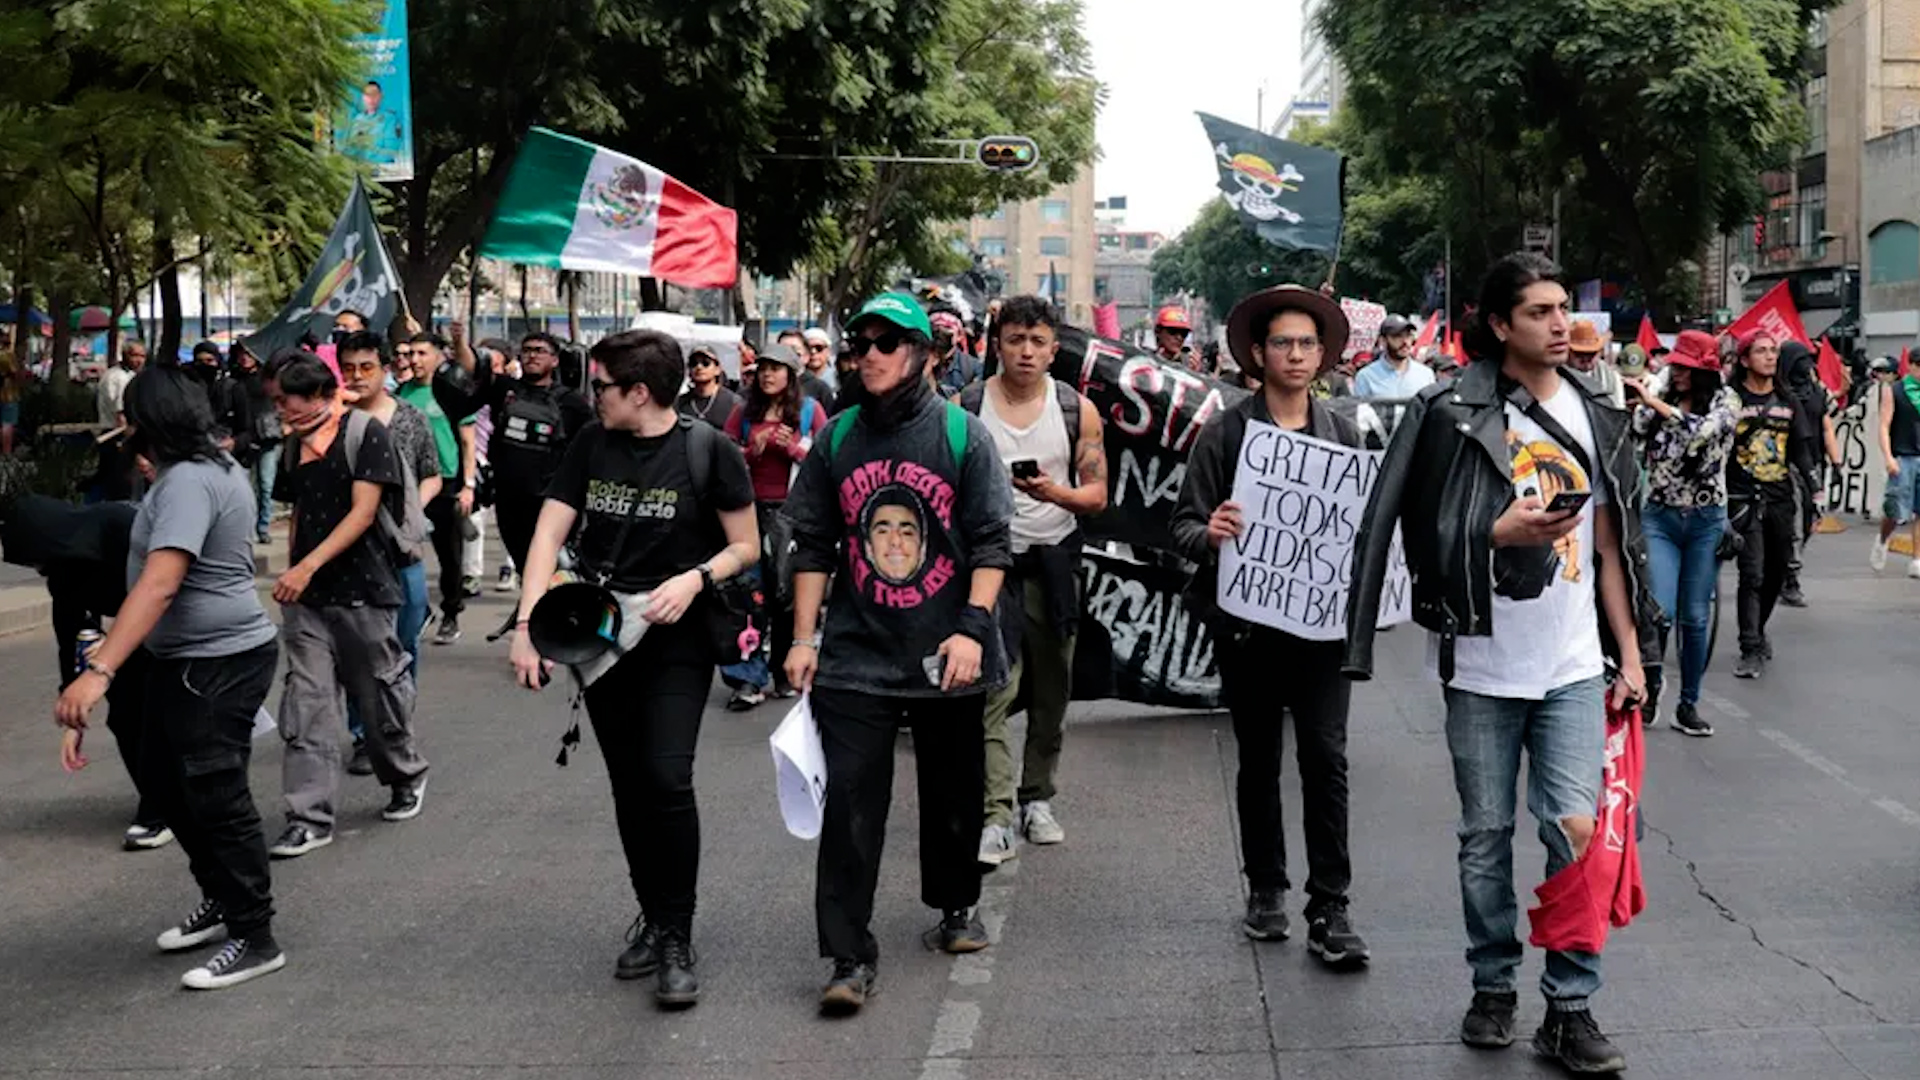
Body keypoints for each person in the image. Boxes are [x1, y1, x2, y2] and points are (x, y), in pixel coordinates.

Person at [1346, 253, 1656, 1074]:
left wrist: (1631, 651)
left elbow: (1612, 544)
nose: (1562, 325)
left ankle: (1571, 1004)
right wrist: (1493, 535)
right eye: (1541, 312)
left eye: (1564, 309)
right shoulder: (1448, 411)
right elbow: (1401, 530)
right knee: (1485, 836)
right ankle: (1493, 985)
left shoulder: (1597, 412)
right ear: (1498, 324)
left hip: (1574, 665)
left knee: (1576, 833)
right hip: (1482, 665)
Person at [509, 330, 759, 1010]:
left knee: (666, 777)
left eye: (602, 386)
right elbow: (549, 535)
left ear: (639, 392)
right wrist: (528, 624)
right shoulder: (592, 442)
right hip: (600, 632)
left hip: (677, 636)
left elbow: (747, 545)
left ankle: (677, 934)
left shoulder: (710, 450)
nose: (594, 397)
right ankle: (652, 915)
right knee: (628, 783)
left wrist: (697, 578)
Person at [782, 291, 1014, 1016]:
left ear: (924, 353)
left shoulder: (961, 435)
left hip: (948, 651)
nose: (871, 353)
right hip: (856, 654)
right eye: (862, 341)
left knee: (952, 798)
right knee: (851, 803)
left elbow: (990, 543)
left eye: (888, 341)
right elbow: (813, 542)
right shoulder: (838, 437)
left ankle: (953, 906)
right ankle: (848, 954)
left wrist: (972, 631)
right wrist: (801, 638)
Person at [53, 365, 284, 990]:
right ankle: (222, 898)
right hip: (184, 658)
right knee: (162, 777)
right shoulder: (200, 472)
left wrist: (98, 671)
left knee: (215, 794)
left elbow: (161, 582)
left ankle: (254, 935)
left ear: (146, 421)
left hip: (220, 658)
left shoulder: (188, 481)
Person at [1170, 284, 1372, 968]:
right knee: (1259, 760)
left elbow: (1363, 532)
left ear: (1323, 355)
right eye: (1282, 342)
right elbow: (1183, 526)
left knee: (1327, 759)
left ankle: (1331, 903)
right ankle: (1265, 888)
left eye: (1307, 343)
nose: (1295, 354)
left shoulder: (1344, 432)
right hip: (1249, 630)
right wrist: (1213, 532)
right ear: (1258, 354)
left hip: (1321, 633)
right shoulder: (1226, 433)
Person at [265, 353, 430, 859]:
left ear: (315, 396)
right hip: (309, 601)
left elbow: (363, 513)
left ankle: (405, 775)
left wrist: (307, 566)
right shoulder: (294, 446)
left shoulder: (364, 434)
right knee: (308, 705)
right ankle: (308, 817)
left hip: (365, 590)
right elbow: (296, 514)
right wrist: (293, 571)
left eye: (284, 401)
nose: (279, 411)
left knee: (376, 697)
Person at [963, 295, 1107, 867]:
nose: (1026, 352)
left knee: (1052, 692)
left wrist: (1055, 494)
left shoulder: (1077, 410)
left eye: (1037, 342)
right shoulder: (966, 407)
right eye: (1015, 339)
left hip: (1054, 567)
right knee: (990, 694)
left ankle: (1037, 798)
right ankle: (994, 814)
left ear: (1054, 349)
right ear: (997, 343)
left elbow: (1096, 496)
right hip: (989, 571)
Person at [1626, 330, 1737, 736]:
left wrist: (1656, 404)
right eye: (1677, 366)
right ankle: (1652, 684)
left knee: (1695, 616)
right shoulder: (1663, 388)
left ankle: (1688, 704)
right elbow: (1635, 427)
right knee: (1660, 609)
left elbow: (1702, 432)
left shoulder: (1727, 400)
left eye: (1688, 368)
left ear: (1705, 371)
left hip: (1707, 519)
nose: (1680, 373)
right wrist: (1647, 398)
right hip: (1661, 516)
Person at [339, 331, 440, 775]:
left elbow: (432, 473)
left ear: (385, 369)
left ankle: (398, 724)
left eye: (366, 367)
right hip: (349, 553)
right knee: (357, 648)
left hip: (402, 551)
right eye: (349, 368)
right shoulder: (332, 422)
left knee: (405, 640)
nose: (357, 377)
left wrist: (409, 511)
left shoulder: (411, 418)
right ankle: (363, 733)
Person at [720, 341, 827, 708]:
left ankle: (784, 671)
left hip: (793, 516)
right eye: (763, 367)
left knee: (787, 595)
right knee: (748, 595)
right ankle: (747, 678)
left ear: (791, 375)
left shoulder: (811, 411)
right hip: (749, 513)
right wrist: (753, 451)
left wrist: (795, 448)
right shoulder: (742, 413)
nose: (768, 374)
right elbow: (724, 454)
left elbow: (827, 461)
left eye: (776, 368)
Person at [442, 331, 595, 587]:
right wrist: (459, 343)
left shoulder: (572, 402)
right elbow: (474, 369)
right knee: (528, 568)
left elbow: (592, 446)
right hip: (509, 501)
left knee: (556, 570)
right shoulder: (505, 389)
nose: (532, 355)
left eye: (539, 350)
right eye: (527, 350)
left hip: (550, 500)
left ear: (555, 360)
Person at [1725, 331, 1808, 680]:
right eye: (1761, 351)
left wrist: (1815, 494)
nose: (1771, 357)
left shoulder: (1788, 401)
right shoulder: (1730, 401)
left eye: (1774, 351)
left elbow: (1802, 452)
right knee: (1753, 573)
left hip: (1780, 498)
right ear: (1745, 359)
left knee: (1776, 572)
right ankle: (1750, 648)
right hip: (1743, 498)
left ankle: (1758, 630)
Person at [399, 332, 474, 646]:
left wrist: (468, 485)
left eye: (421, 353)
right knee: (402, 551)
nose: (414, 360)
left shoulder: (451, 392)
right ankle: (419, 609)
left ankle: (451, 612)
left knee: (449, 556)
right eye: (411, 353)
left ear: (438, 356)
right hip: (408, 484)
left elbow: (468, 441)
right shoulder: (402, 393)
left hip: (446, 483)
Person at [1777, 341, 1840, 606]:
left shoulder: (1816, 392)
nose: (1807, 365)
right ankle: (1789, 579)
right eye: (1801, 360)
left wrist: (1836, 463)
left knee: (1809, 521)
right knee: (1792, 523)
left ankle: (1787, 566)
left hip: (1813, 464)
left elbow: (1826, 427)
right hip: (1783, 466)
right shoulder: (1778, 393)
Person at [1871, 347, 1920, 578]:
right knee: (1894, 510)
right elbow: (1884, 425)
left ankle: (1917, 559)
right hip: (1903, 456)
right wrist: (1888, 457)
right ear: (1910, 366)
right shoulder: (1896, 391)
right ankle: (1883, 539)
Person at [1351, 314, 1435, 399]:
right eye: (1397, 336)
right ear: (1383, 341)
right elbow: (1360, 410)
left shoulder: (1426, 374)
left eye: (1408, 335)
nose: (1405, 342)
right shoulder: (1365, 377)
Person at [675, 346, 741, 429]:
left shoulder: (734, 402)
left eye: (706, 363)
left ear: (717, 369)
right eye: (694, 363)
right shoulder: (679, 403)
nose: (699, 367)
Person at [1564, 320, 1624, 408]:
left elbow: (1618, 409)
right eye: (1579, 354)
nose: (1586, 359)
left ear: (1600, 352)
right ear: (1568, 352)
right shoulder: (1554, 375)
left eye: (1591, 354)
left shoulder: (1611, 377)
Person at [931, 309, 980, 396]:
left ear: (959, 335)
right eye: (936, 326)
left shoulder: (972, 367)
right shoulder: (917, 359)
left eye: (947, 327)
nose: (941, 331)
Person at [0, 326, 24, 456]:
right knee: (7, 424)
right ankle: (6, 454)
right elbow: (16, 374)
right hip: (8, 394)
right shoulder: (7, 355)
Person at [802, 327, 839, 395]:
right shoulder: (797, 380)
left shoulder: (838, 377)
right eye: (808, 348)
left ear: (828, 351)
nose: (813, 352)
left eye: (819, 348)